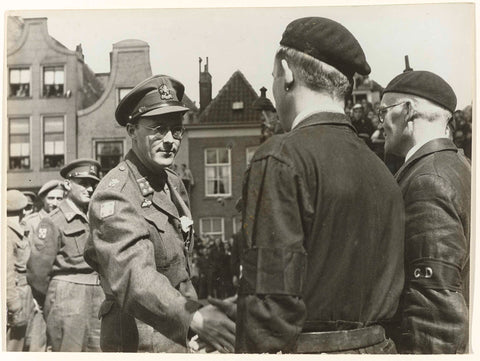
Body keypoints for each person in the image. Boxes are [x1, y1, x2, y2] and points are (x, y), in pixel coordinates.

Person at [235, 17, 405, 354]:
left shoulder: (281, 158)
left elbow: (269, 312)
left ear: (287, 73)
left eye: (273, 76)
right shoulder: (383, 171)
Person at [84, 74, 235, 353]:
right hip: (138, 338)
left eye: (176, 130)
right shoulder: (116, 193)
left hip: (178, 334)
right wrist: (195, 318)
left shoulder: (172, 182)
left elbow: (180, 271)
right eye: (158, 129)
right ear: (131, 130)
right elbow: (135, 278)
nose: (170, 141)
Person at [379, 69, 470, 353]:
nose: (379, 121)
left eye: (384, 111)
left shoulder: (426, 181)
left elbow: (435, 315)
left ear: (407, 111)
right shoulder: (460, 166)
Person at [27, 159, 104, 352]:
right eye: (84, 183)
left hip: (99, 296)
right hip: (66, 298)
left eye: (93, 184)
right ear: (68, 184)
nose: (90, 189)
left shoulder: (95, 219)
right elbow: (37, 272)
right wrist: (56, 299)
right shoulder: (54, 221)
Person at [21, 180, 64, 351]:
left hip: (57, 286)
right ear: (43, 199)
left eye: (59, 198)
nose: (55, 202)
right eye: (51, 198)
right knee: (37, 338)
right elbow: (27, 257)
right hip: (36, 286)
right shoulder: (31, 222)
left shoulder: (62, 220)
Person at [6, 190, 35, 351]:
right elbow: (6, 274)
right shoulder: (8, 233)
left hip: (23, 293)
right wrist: (14, 306)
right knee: (13, 347)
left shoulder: (15, 231)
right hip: (16, 295)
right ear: (22, 210)